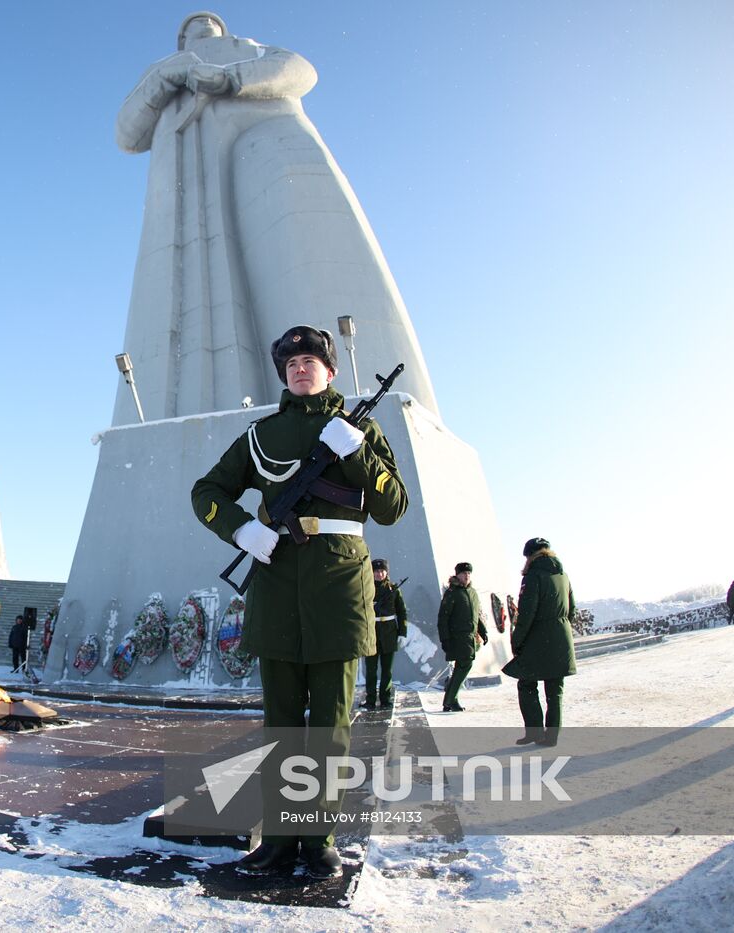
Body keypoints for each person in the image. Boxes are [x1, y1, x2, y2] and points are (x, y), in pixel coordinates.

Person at [112, 13, 437, 426]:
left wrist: (229, 78)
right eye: (190, 27)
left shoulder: (246, 48)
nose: (200, 28)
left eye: (207, 21)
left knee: (302, 257)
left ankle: (327, 388)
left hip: (266, 142)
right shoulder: (162, 71)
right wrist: (165, 79)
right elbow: (127, 134)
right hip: (184, 186)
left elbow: (299, 70)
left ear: (223, 29)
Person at [191, 324, 408, 881]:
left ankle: (320, 840)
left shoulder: (360, 428)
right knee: (283, 722)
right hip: (278, 579)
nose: (301, 368)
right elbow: (206, 492)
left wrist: (356, 454)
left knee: (331, 725)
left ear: (330, 372)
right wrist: (242, 531)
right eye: (291, 363)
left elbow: (392, 507)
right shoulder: (261, 435)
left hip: (339, 588)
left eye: (312, 360)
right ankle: (281, 838)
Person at [502, 538, 577, 746]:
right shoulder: (563, 575)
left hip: (538, 639)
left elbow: (526, 615)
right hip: (561, 638)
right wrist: (560, 630)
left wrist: (517, 641)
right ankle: (551, 736)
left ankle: (534, 732)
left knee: (526, 683)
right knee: (555, 689)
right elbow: (572, 610)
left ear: (530, 556)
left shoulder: (533, 576)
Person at [437, 562, 488, 712]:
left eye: (469, 573)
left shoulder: (472, 593)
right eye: (463, 573)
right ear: (457, 575)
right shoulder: (452, 593)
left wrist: (483, 631)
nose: (466, 576)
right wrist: (444, 639)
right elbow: (443, 619)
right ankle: (450, 699)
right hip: (458, 637)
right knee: (465, 665)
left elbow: (476, 615)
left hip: (471, 637)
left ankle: (451, 699)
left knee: (462, 666)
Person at [363, 558, 408, 710]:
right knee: (371, 670)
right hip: (372, 632)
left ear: (386, 572)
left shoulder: (393, 589)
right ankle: (370, 700)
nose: (379, 574)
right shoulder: (366, 588)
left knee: (387, 670)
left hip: (389, 632)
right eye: (376, 571)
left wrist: (402, 632)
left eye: (382, 571)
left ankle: (385, 699)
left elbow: (402, 612)